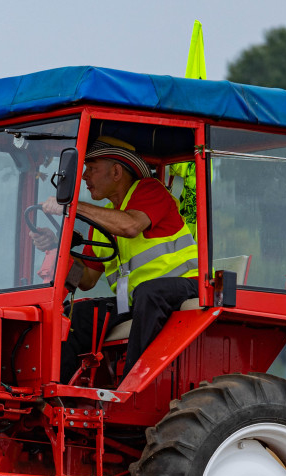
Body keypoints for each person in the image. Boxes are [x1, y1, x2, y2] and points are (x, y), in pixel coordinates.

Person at [38, 137, 198, 382]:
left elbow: (131, 225)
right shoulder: (101, 223)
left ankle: (133, 386)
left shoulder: (150, 189)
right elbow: (87, 280)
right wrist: (59, 249)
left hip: (187, 288)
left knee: (149, 293)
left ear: (115, 172)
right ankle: (60, 392)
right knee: (76, 314)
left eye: (91, 168)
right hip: (140, 300)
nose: (83, 177)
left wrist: (73, 206)